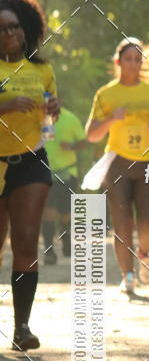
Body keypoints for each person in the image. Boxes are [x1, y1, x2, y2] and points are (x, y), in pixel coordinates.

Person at [0, 0, 60, 350]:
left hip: (31, 160)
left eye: (14, 26)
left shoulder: (43, 69)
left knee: (25, 241)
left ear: (26, 30)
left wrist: (52, 111)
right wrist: (4, 106)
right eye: (2, 28)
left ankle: (22, 328)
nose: (9, 33)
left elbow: (50, 120)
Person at [85, 37, 149, 294]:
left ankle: (144, 252)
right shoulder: (105, 94)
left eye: (137, 60)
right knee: (122, 222)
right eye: (128, 59)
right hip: (118, 162)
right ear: (118, 62)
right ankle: (127, 275)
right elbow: (91, 134)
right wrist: (111, 118)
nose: (133, 64)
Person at [41, 107, 86, 263]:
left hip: (67, 172)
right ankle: (49, 251)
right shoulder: (38, 118)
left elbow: (83, 142)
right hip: (45, 172)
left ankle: (66, 240)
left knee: (65, 213)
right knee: (48, 212)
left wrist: (72, 147)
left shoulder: (70, 118)